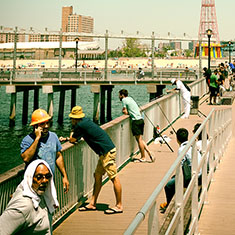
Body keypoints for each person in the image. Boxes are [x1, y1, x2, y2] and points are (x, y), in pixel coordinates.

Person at [61, 106, 123, 214]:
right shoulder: (85, 122)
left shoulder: (80, 125)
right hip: (104, 152)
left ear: (75, 119)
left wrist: (68, 136)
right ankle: (92, 203)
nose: (71, 120)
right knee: (97, 176)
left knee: (114, 177)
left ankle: (119, 205)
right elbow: (79, 137)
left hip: (106, 152)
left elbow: (73, 139)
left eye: (72, 119)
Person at [0, 159, 59, 234]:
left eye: (47, 176)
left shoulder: (41, 196)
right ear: (30, 178)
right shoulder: (23, 206)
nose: (44, 180)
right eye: (39, 177)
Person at [20, 109, 69, 193]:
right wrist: (37, 138)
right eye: (42, 124)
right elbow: (26, 158)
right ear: (35, 126)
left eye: (47, 123)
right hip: (34, 185)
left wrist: (64, 176)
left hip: (49, 182)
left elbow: (58, 156)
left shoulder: (53, 136)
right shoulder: (27, 140)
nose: (46, 126)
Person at [159, 128, 201, 213]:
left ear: (177, 139)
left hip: (193, 176)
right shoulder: (192, 145)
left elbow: (180, 166)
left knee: (168, 186)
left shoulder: (182, 149)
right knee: (174, 179)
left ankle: (169, 204)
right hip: (200, 173)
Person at [118, 89, 155, 162]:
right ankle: (148, 152)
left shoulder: (124, 100)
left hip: (136, 121)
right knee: (140, 139)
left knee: (139, 140)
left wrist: (124, 111)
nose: (119, 97)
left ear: (122, 95)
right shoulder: (130, 98)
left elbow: (125, 111)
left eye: (119, 95)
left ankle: (143, 157)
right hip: (141, 120)